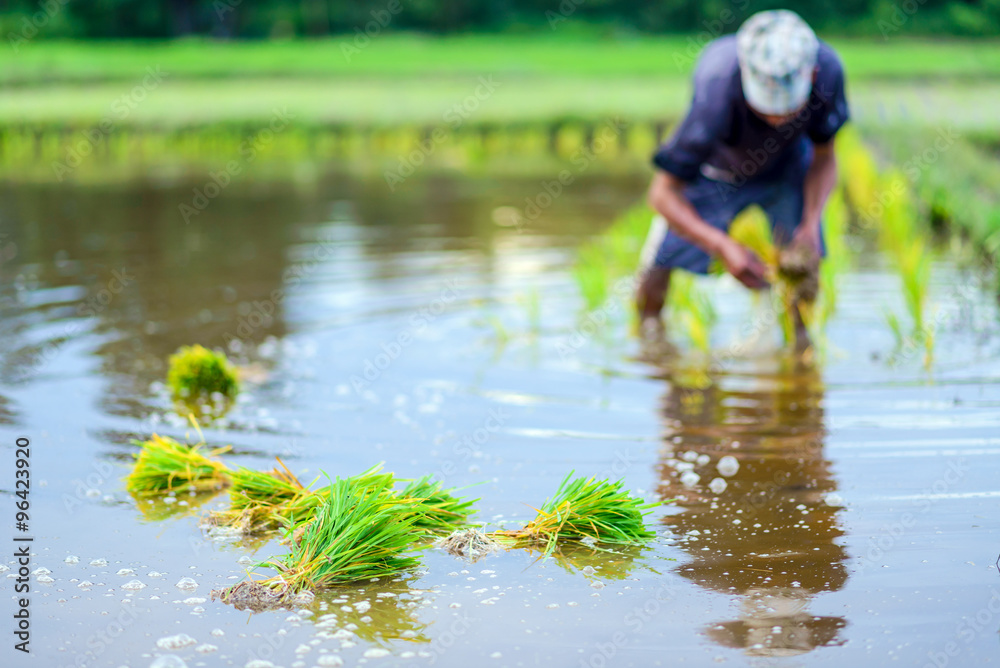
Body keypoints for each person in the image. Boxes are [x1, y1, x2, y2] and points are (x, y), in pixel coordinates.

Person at [636, 9, 850, 351]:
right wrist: (721, 245)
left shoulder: (829, 73)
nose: (778, 117)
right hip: (718, 172)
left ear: (811, 75)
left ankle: (800, 349)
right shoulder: (717, 86)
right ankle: (648, 339)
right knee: (661, 260)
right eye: (768, 108)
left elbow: (825, 157)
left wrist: (810, 223)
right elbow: (662, 194)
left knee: (804, 263)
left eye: (789, 108)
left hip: (789, 167)